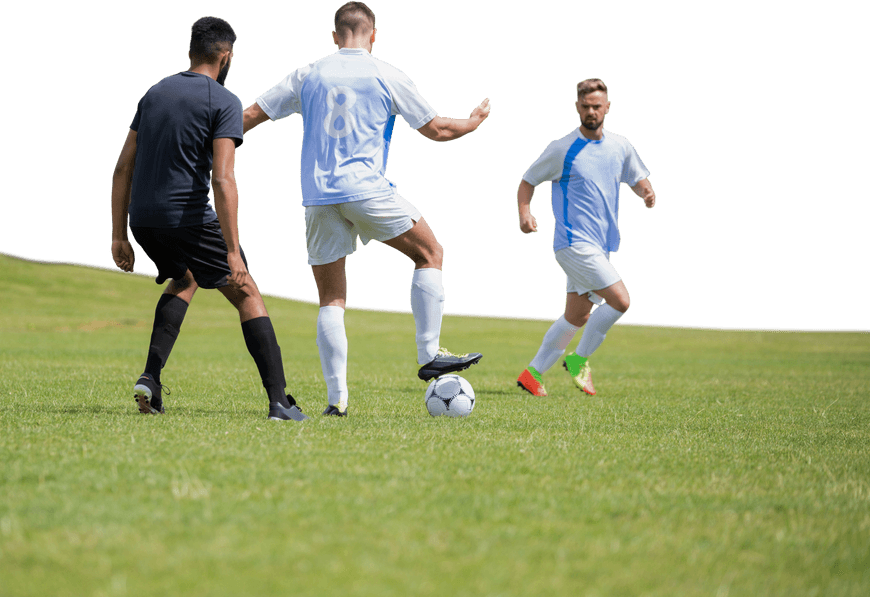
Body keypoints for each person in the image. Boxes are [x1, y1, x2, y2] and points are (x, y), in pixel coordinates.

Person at [242, 1, 491, 417]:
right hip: (365, 191)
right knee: (429, 253)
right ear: (373, 34)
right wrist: (473, 122)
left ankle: (336, 403)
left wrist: (208, 138)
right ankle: (430, 353)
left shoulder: (308, 74)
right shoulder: (386, 73)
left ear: (335, 34)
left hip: (318, 196)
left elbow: (250, 115)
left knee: (331, 299)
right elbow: (436, 130)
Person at [110, 16, 307, 421]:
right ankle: (278, 401)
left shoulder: (154, 93)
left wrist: (118, 236)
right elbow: (223, 178)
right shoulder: (224, 101)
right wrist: (233, 252)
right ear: (226, 55)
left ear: (191, 51)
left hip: (143, 219)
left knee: (185, 277)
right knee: (247, 291)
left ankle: (150, 378)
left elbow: (121, 169)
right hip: (189, 217)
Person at [515, 78, 656, 397]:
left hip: (600, 246)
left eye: (597, 106)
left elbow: (637, 178)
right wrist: (525, 213)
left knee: (576, 316)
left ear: (607, 107)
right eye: (585, 106)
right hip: (574, 244)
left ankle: (532, 374)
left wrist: (645, 192)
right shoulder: (562, 148)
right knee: (620, 301)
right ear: (577, 107)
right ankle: (579, 360)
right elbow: (528, 181)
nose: (591, 111)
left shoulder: (620, 145)